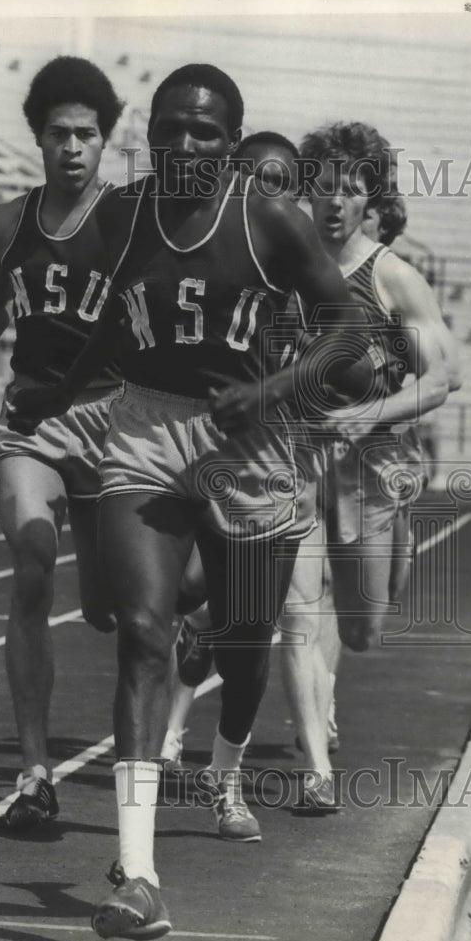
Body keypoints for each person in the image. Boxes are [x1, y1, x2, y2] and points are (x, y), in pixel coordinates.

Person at [9, 64, 366, 941]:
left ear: (233, 139)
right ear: (150, 133)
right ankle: (139, 875)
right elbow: (104, 315)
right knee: (139, 631)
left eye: (207, 130)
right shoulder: (126, 213)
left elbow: (353, 335)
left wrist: (276, 386)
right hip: (142, 429)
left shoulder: (268, 217)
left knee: (242, 651)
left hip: (250, 441)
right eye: (170, 126)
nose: (185, 144)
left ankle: (226, 764)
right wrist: (62, 389)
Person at [0, 57, 125, 832]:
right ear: (38, 139)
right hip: (32, 426)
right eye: (59, 134)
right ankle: (34, 772)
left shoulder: (128, 220)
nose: (73, 147)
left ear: (105, 141)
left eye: (87, 134)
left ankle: (158, 607)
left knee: (132, 608)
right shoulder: (7, 224)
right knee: (33, 564)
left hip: (116, 422)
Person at [295, 121, 462, 758]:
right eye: (323, 186)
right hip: (299, 455)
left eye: (349, 188)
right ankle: (314, 719)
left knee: (362, 625)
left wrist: (373, 414)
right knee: (302, 601)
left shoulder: (393, 277)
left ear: (371, 198)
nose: (334, 201)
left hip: (373, 459)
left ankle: (396, 541)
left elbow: (445, 376)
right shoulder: (286, 267)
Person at [157, 129, 302, 773]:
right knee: (165, 591)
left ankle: (225, 774)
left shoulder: (311, 277)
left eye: (278, 185)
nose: (261, 195)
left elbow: (354, 360)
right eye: (250, 180)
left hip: (269, 473)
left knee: (249, 639)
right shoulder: (203, 260)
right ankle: (163, 737)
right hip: (189, 453)